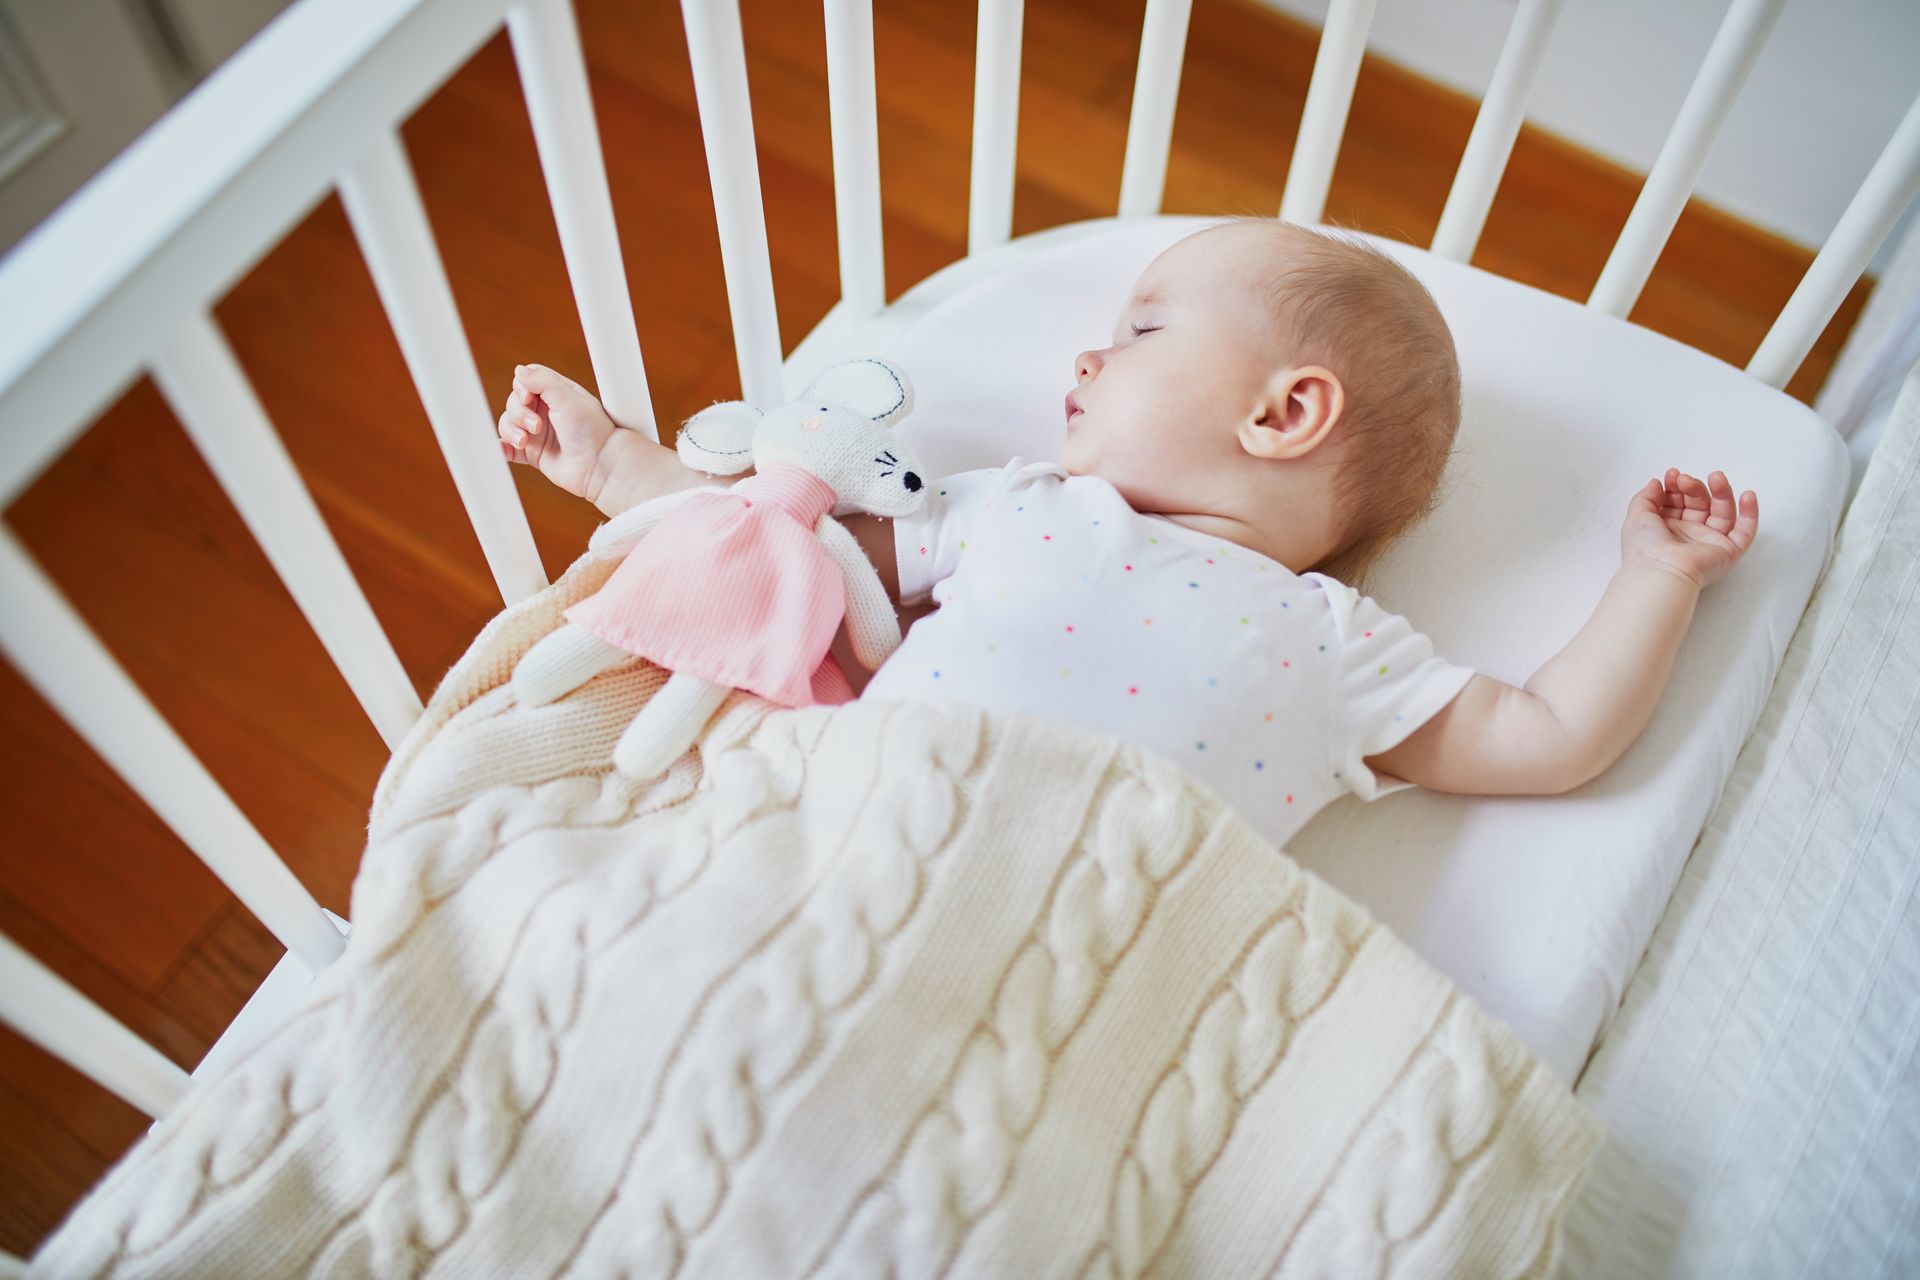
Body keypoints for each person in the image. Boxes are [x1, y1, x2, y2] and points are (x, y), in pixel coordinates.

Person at [495, 218, 1759, 847]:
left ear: (1284, 413)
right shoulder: (1020, 507)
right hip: (845, 838)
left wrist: (1657, 576)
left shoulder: (1335, 648)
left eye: (1146, 331)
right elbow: (784, 556)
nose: (1090, 353)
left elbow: (1549, 735)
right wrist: (619, 465)